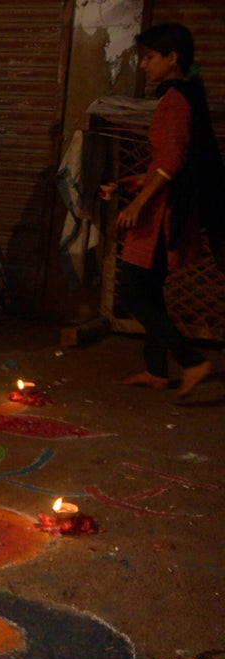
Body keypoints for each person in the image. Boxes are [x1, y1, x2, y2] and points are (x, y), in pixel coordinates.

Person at [114, 22, 222, 401]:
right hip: (168, 202)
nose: (144, 65)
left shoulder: (175, 99)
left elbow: (172, 160)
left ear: (171, 59)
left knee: (131, 289)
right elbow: (170, 160)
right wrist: (137, 180)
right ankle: (156, 370)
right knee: (150, 288)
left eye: (149, 58)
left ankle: (191, 361)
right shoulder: (187, 94)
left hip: (163, 213)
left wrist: (140, 204)